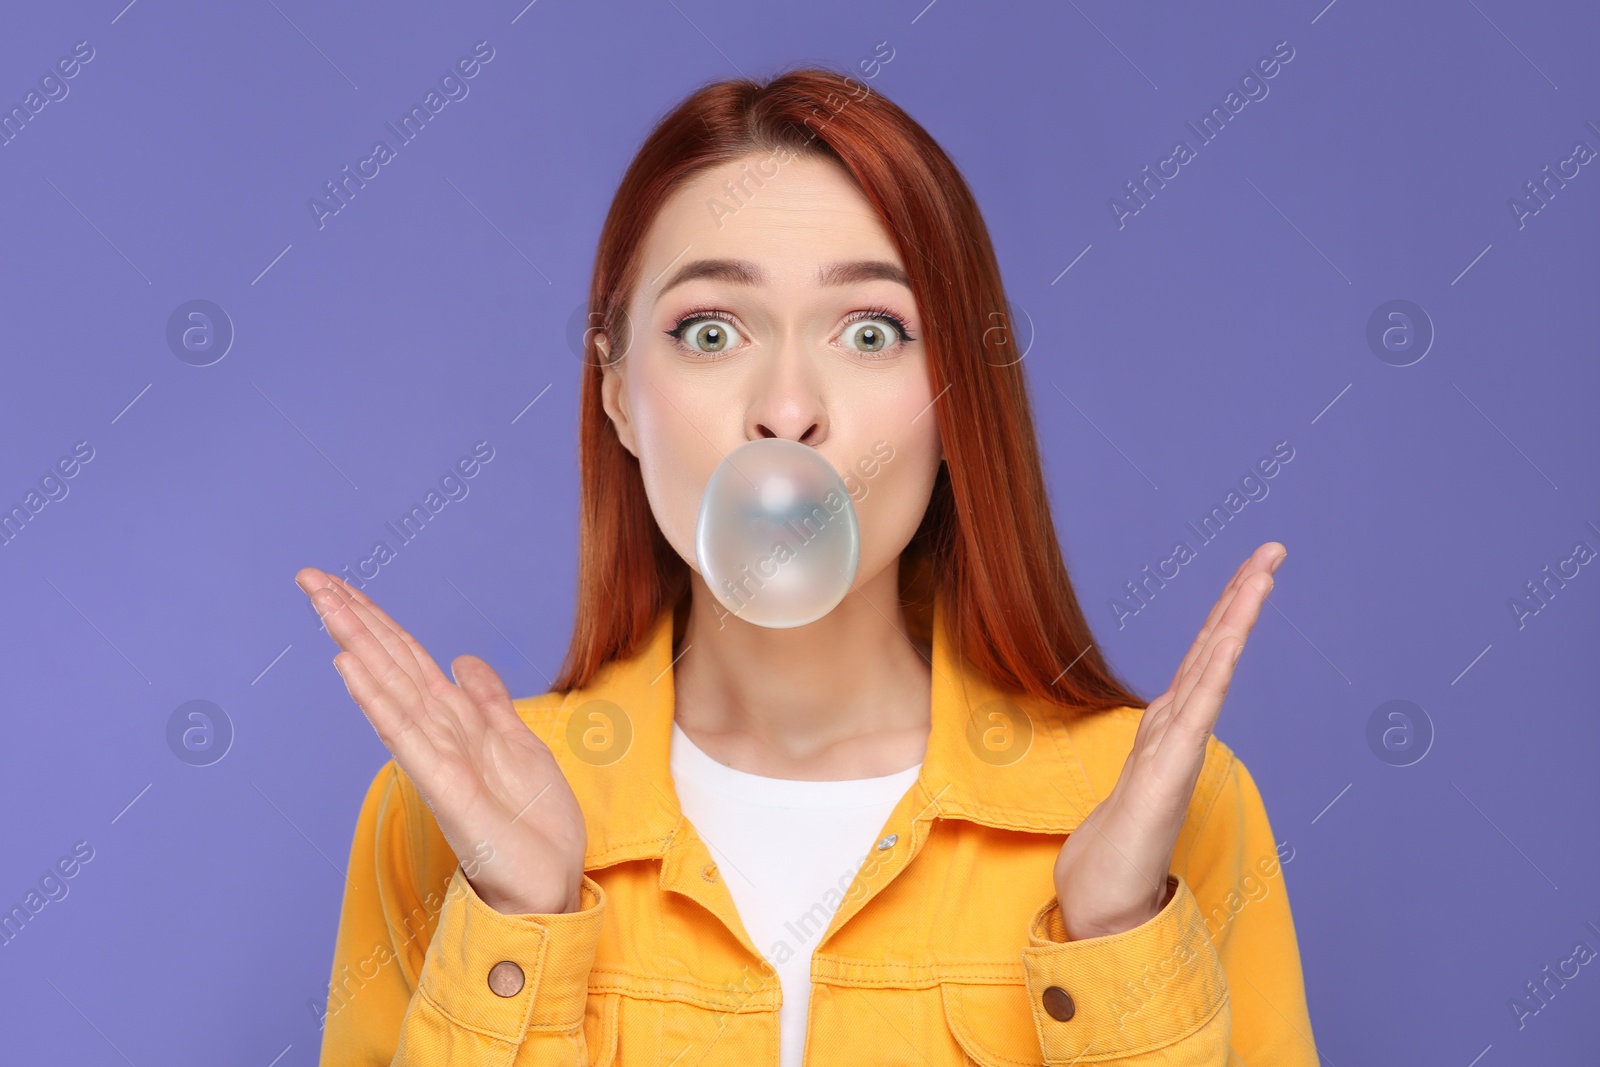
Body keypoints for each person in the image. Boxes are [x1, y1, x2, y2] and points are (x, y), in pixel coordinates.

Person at [304, 66, 1318, 1066]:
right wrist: (517, 922)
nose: (787, 407)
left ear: (957, 394)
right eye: (710, 330)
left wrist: (1117, 942)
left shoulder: (1161, 805)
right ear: (615, 390)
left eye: (870, 330)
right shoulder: (456, 811)